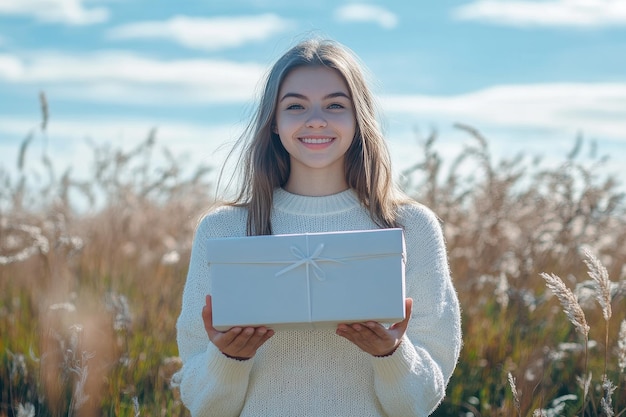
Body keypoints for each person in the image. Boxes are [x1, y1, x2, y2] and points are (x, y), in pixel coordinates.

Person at [175, 37, 462, 417]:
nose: (316, 120)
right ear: (274, 123)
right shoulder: (223, 230)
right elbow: (204, 405)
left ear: (359, 119)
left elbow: (419, 403)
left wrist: (390, 353)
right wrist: (228, 358)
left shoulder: (412, 227)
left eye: (335, 105)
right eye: (295, 106)